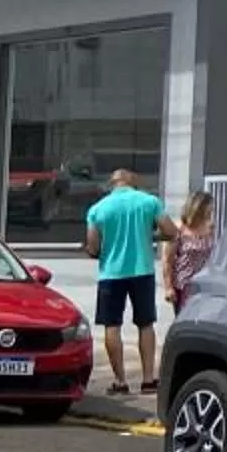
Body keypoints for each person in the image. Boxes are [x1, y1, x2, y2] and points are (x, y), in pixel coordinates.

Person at [82, 168, 164, 396]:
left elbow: (93, 246)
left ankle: (120, 381)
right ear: (133, 182)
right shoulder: (150, 202)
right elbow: (170, 231)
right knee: (146, 324)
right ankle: (148, 380)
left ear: (112, 184)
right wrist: (150, 236)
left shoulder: (97, 209)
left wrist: (96, 250)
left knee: (112, 326)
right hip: (142, 270)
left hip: (111, 273)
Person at [164, 191, 215, 315]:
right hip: (184, 285)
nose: (211, 211)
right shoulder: (179, 230)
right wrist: (168, 287)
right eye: (209, 207)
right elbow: (168, 260)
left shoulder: (210, 228)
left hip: (204, 284)